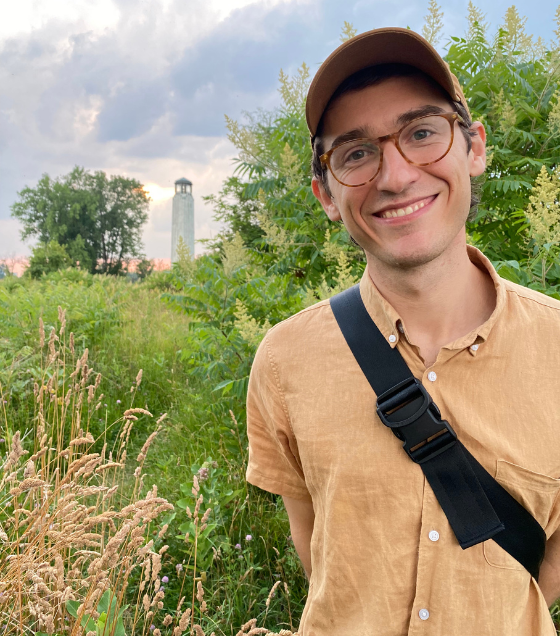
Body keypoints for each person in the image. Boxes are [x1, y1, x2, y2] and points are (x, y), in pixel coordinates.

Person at [245, 27, 560, 636]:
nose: (395, 176)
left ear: (474, 148)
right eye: (356, 153)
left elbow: (548, 574)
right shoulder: (284, 360)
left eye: (421, 133)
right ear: (326, 195)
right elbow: (318, 552)